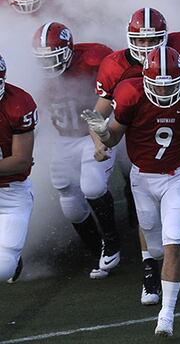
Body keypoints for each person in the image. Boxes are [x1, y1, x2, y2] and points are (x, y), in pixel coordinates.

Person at [82, 46, 180, 337]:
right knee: (155, 248)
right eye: (159, 84)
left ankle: (166, 315)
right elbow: (115, 136)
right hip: (142, 178)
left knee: (171, 243)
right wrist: (104, 134)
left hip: (177, 175)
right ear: (144, 79)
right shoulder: (130, 94)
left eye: (171, 84)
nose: (165, 91)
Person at [31, 22, 121, 278]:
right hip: (63, 139)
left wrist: (104, 134)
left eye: (55, 58)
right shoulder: (36, 75)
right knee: (68, 198)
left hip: (93, 133)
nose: (49, 66)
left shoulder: (95, 58)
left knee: (92, 186)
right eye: (44, 59)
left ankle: (113, 241)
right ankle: (98, 251)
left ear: (69, 50)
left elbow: (116, 87)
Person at [0, 55, 37, 284]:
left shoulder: (18, 103)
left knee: (3, 268)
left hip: (10, 192)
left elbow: (21, 161)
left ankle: (12, 259)